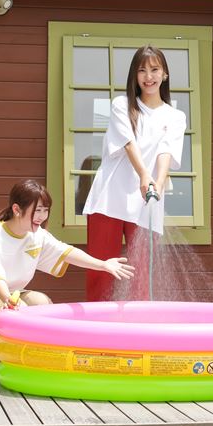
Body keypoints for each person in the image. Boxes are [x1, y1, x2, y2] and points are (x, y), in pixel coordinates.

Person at [0, 179, 135, 373]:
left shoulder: (37, 235)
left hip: (8, 297)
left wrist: (103, 264)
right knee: (11, 312)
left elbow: (67, 252)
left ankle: (23, 352)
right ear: (16, 209)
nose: (42, 216)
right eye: (37, 210)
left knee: (41, 303)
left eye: (45, 210)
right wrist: (9, 300)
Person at [82, 45, 186, 301]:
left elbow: (166, 152)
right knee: (102, 268)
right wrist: (143, 174)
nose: (148, 76)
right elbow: (128, 143)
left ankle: (139, 332)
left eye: (154, 69)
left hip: (147, 201)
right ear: (134, 75)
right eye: (142, 70)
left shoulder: (175, 116)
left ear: (165, 74)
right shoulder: (122, 105)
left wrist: (158, 184)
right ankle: (95, 332)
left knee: (142, 275)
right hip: (110, 198)